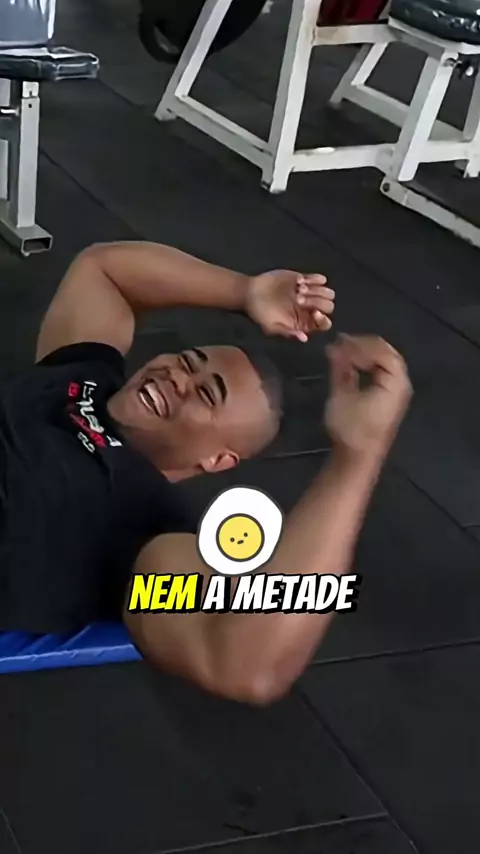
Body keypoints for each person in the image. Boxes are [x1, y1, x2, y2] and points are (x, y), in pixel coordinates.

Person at [0, 240, 412, 705]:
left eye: (206, 394)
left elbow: (245, 667)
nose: (178, 378)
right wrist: (245, 291)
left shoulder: (146, 532)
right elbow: (104, 270)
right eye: (186, 362)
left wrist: (356, 457)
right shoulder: (85, 373)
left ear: (217, 460)